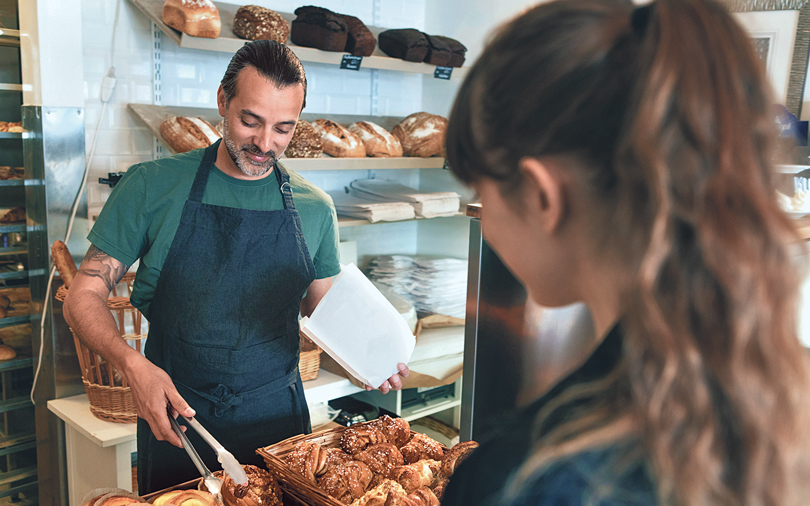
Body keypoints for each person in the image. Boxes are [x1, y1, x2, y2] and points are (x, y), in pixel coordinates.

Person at [441, 0, 810, 505]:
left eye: (478, 188)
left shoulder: (527, 481)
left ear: (541, 196)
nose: (481, 217)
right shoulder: (781, 386)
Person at [63, 40, 408, 494]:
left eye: (283, 129)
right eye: (251, 121)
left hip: (280, 425)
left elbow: (326, 317)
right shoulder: (151, 186)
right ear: (223, 101)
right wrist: (131, 365)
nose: (266, 144)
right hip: (178, 419)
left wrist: (371, 359)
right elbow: (82, 294)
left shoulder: (314, 208)